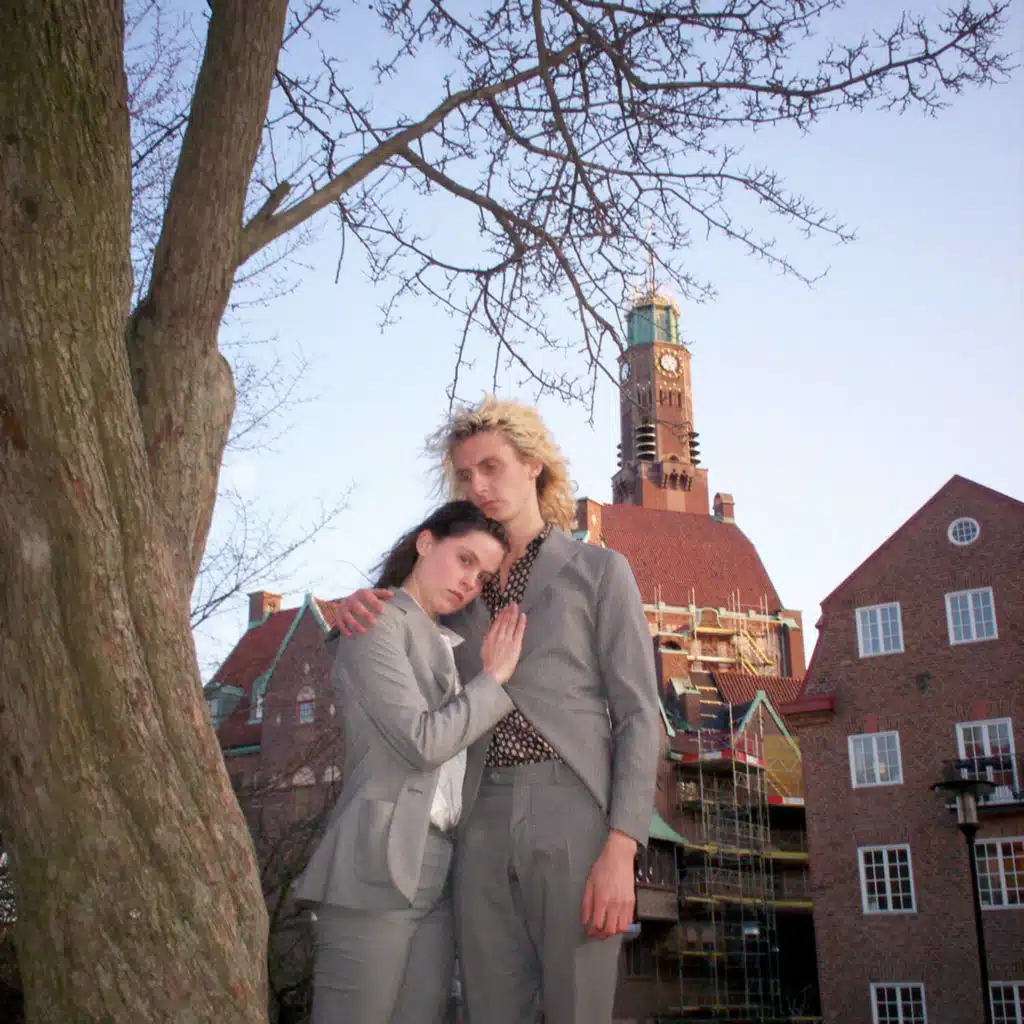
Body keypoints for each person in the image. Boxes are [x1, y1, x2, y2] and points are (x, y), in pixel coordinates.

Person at [335, 397, 660, 1024]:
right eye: (465, 476)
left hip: (575, 812)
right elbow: (396, 629)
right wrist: (358, 606)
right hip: (477, 816)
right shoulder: (457, 584)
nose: (478, 486)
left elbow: (640, 716)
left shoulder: (599, 571)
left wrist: (622, 849)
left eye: (491, 467)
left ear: (534, 464)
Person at [294, 500, 527, 1024]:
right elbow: (422, 742)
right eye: (464, 560)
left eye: (483, 576)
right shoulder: (376, 622)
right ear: (426, 543)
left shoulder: (448, 642)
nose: (470, 583)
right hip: (379, 860)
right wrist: (492, 680)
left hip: (441, 867)